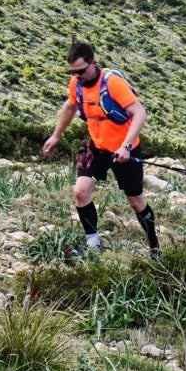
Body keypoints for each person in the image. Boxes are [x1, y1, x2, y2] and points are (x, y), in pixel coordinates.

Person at [41, 40, 159, 258]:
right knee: (80, 192)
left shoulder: (112, 83)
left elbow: (140, 113)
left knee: (136, 202)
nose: (77, 76)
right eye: (73, 72)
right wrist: (56, 135)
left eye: (81, 71)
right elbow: (70, 105)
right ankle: (93, 244)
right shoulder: (76, 83)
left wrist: (126, 146)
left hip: (124, 152)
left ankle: (155, 247)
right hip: (96, 149)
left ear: (93, 63)